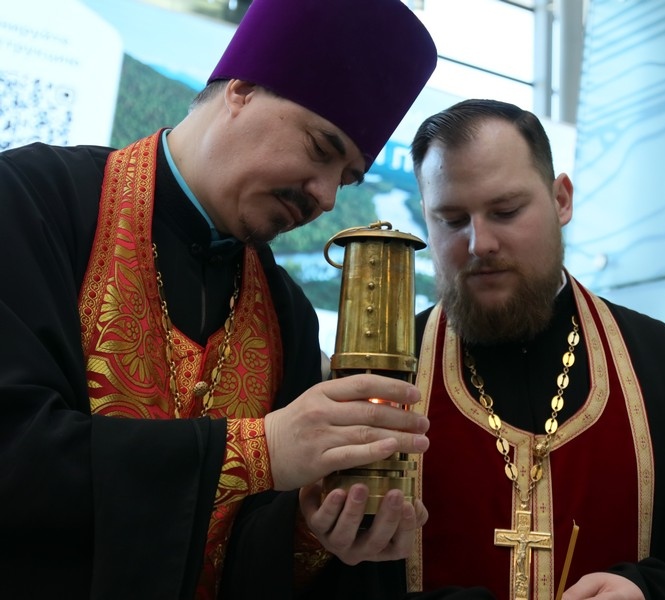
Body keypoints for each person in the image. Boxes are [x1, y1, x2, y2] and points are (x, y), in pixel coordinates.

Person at [0, 0, 437, 598]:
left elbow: (243, 549)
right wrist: (260, 450)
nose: (326, 197)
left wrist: (312, 529)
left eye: (347, 177)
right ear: (242, 89)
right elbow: (17, 452)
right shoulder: (31, 202)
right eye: (320, 148)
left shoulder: (285, 312)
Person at [402, 99, 665, 599]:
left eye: (506, 211)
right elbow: (333, 573)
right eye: (452, 219)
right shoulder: (387, 378)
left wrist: (650, 593)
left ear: (561, 200)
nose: (480, 243)